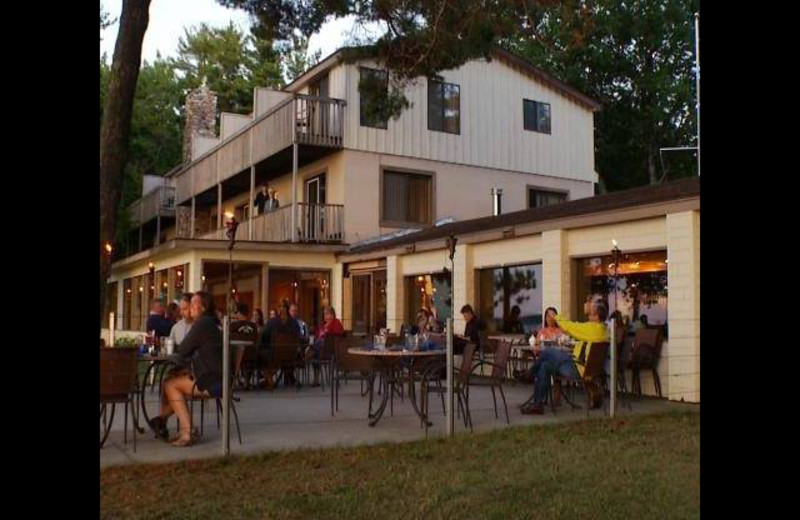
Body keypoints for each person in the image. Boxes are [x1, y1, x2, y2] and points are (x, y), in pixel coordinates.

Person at [148, 291, 223, 447]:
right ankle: (168, 424)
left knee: (170, 385)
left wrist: (173, 357)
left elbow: (182, 350)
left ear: (202, 307)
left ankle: (186, 431)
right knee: (170, 380)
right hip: (214, 375)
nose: (190, 308)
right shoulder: (209, 322)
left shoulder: (202, 324)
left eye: (193, 304)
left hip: (212, 381)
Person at [521, 299, 609, 415]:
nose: (588, 313)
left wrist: (556, 317)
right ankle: (538, 405)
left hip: (578, 369)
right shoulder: (603, 329)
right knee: (544, 365)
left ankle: (530, 374)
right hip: (583, 367)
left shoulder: (593, 329)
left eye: (591, 312)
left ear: (596, 316)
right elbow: (580, 335)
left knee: (547, 351)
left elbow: (570, 327)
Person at [259, 300, 301, 388]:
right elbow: (299, 337)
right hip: (291, 354)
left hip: (275, 354)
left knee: (259, 354)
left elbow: (264, 335)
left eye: (280, 307)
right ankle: (268, 378)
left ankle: (269, 378)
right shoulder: (294, 323)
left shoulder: (273, 322)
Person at [305, 306, 344, 386]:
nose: (326, 316)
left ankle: (305, 357)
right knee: (315, 353)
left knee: (318, 344)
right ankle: (316, 380)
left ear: (333, 315)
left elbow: (338, 337)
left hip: (330, 351)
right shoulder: (323, 326)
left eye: (328, 314)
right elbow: (316, 336)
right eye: (325, 314)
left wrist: (326, 333)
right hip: (320, 351)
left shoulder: (336, 323)